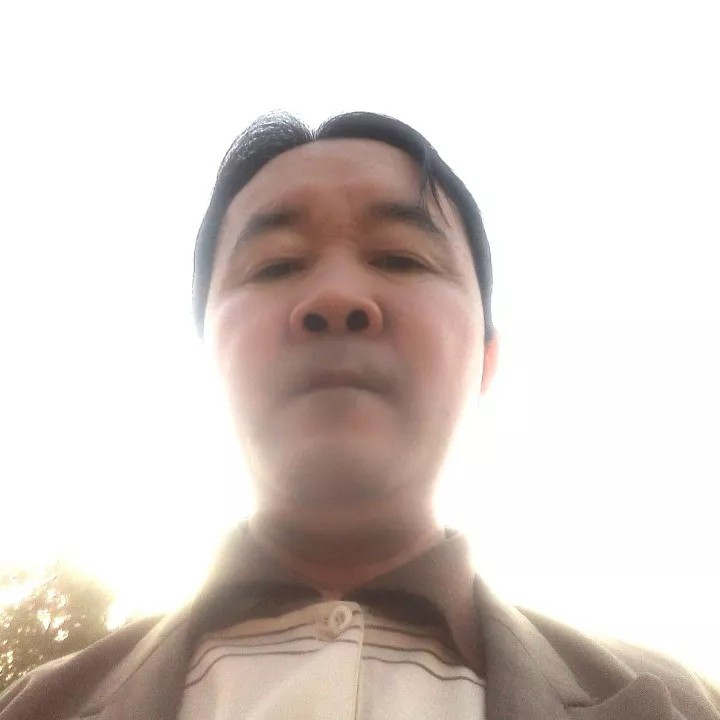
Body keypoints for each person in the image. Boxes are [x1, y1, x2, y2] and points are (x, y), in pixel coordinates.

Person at [1, 111, 718, 720]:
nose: (337, 296)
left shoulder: (679, 704)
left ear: (485, 361)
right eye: (275, 265)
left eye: (401, 258)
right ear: (209, 359)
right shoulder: (38, 706)